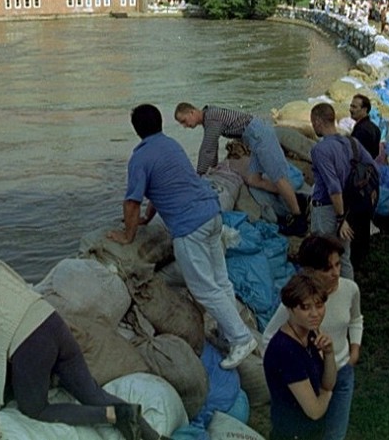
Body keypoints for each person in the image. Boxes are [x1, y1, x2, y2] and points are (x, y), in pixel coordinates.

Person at [0, 254, 166, 440]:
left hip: (29, 345)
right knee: (91, 393)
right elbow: (22, 287)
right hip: (52, 320)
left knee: (35, 409)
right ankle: (152, 435)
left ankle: (112, 416)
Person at [109, 104, 257, 369]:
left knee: (203, 289)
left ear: (137, 130)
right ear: (160, 124)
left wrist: (128, 235)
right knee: (220, 282)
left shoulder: (140, 158)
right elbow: (163, 188)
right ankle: (230, 332)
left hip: (191, 227)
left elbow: (131, 202)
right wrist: (148, 218)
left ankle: (241, 338)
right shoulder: (171, 146)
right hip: (212, 214)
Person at [262, 237, 363, 440]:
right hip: (310, 377)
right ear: (310, 271)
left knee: (334, 433)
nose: (336, 273)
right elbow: (269, 340)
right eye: (327, 268)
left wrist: (353, 351)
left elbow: (356, 319)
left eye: (338, 265)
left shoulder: (350, 289)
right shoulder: (296, 304)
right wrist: (283, 374)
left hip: (338, 368)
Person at [174, 102, 307, 236]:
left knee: (278, 178)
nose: (185, 126)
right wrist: (211, 167)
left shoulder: (211, 118)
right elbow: (211, 148)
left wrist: (200, 175)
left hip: (259, 135)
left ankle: (298, 218)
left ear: (192, 112)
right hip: (252, 138)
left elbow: (207, 149)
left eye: (184, 121)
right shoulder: (209, 117)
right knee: (253, 180)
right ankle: (295, 198)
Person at [263, 272, 337, 440]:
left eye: (319, 305)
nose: (315, 313)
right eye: (305, 307)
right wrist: (326, 394)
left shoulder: (309, 334)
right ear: (290, 309)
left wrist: (329, 353)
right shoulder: (285, 350)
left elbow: (328, 383)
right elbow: (314, 411)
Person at [309, 103, 377, 278]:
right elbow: (372, 166)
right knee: (344, 257)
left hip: (328, 210)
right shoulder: (351, 142)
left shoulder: (320, 149)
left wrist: (340, 219)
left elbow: (333, 187)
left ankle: (329, 298)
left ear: (317, 121)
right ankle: (350, 298)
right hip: (348, 207)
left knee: (323, 257)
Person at [349, 94, 381, 159]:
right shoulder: (375, 128)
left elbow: (355, 154)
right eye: (351, 106)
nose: (350, 109)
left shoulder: (361, 130)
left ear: (364, 110)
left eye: (354, 107)